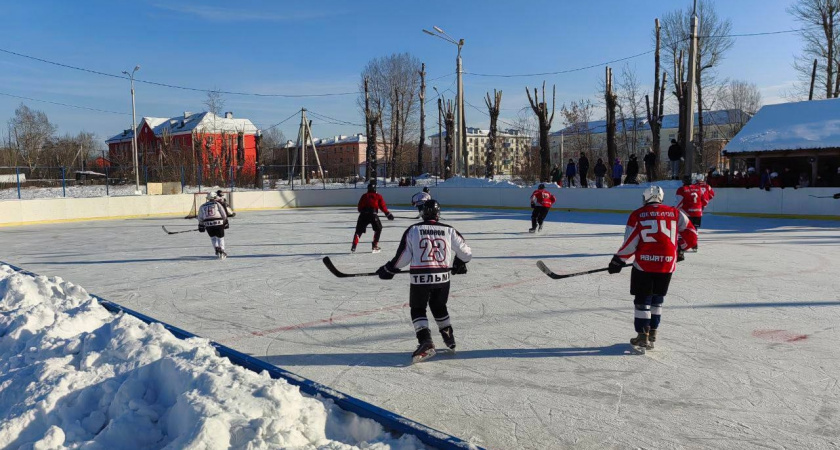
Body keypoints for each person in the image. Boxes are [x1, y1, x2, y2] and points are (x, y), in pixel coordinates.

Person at [376, 200, 472, 363]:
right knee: (439, 307)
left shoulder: (414, 230)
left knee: (418, 309)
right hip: (442, 278)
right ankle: (449, 337)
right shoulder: (448, 230)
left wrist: (390, 269)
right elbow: (466, 253)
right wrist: (459, 263)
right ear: (438, 214)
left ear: (423, 213)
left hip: (420, 279)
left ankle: (425, 341)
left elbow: (403, 257)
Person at [607, 185, 697, 350]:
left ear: (645, 198)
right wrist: (679, 248)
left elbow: (631, 241)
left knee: (642, 300)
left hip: (644, 265)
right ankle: (653, 331)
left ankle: (643, 335)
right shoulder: (675, 213)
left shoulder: (637, 214)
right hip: (667, 263)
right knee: (657, 299)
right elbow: (692, 234)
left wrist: (618, 260)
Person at [352, 183, 394, 253]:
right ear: (375, 189)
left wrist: (363, 211)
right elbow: (382, 206)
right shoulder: (378, 196)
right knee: (378, 229)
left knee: (358, 231)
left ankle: (354, 246)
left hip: (363, 215)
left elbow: (359, 207)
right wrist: (388, 214)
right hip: (373, 215)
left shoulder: (364, 196)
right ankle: (374, 245)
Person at [675, 176, 706, 252]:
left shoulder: (681, 189)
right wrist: (701, 208)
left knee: (683, 228)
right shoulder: (698, 188)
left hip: (687, 213)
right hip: (698, 212)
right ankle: (695, 244)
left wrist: (675, 210)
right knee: (695, 228)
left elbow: (679, 202)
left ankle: (682, 244)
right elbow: (704, 199)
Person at [197, 192, 230, 259]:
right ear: (215, 197)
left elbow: (200, 217)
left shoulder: (202, 206)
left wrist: (201, 225)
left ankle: (216, 249)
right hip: (218, 223)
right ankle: (222, 250)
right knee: (220, 238)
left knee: (213, 237)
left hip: (208, 224)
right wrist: (225, 222)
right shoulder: (217, 204)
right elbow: (223, 213)